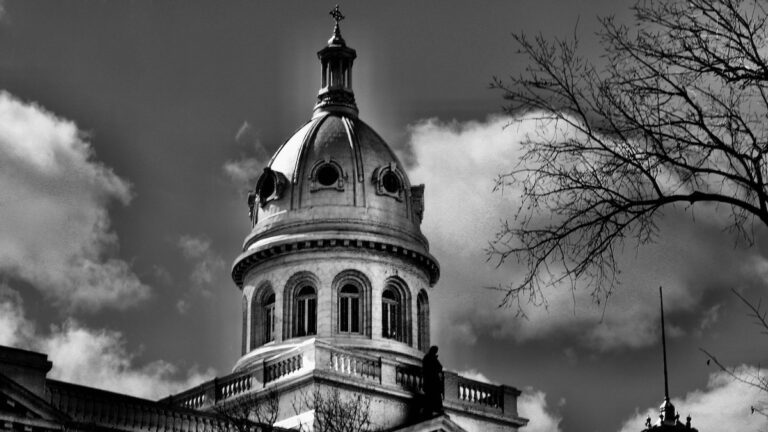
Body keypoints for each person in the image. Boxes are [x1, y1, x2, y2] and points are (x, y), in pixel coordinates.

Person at [422, 345, 444, 417]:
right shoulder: (430, 358)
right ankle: (433, 408)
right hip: (432, 381)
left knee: (434, 395)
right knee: (432, 395)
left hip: (432, 381)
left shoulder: (429, 358)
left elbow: (439, 367)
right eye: (435, 351)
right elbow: (439, 367)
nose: (435, 352)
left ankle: (434, 408)